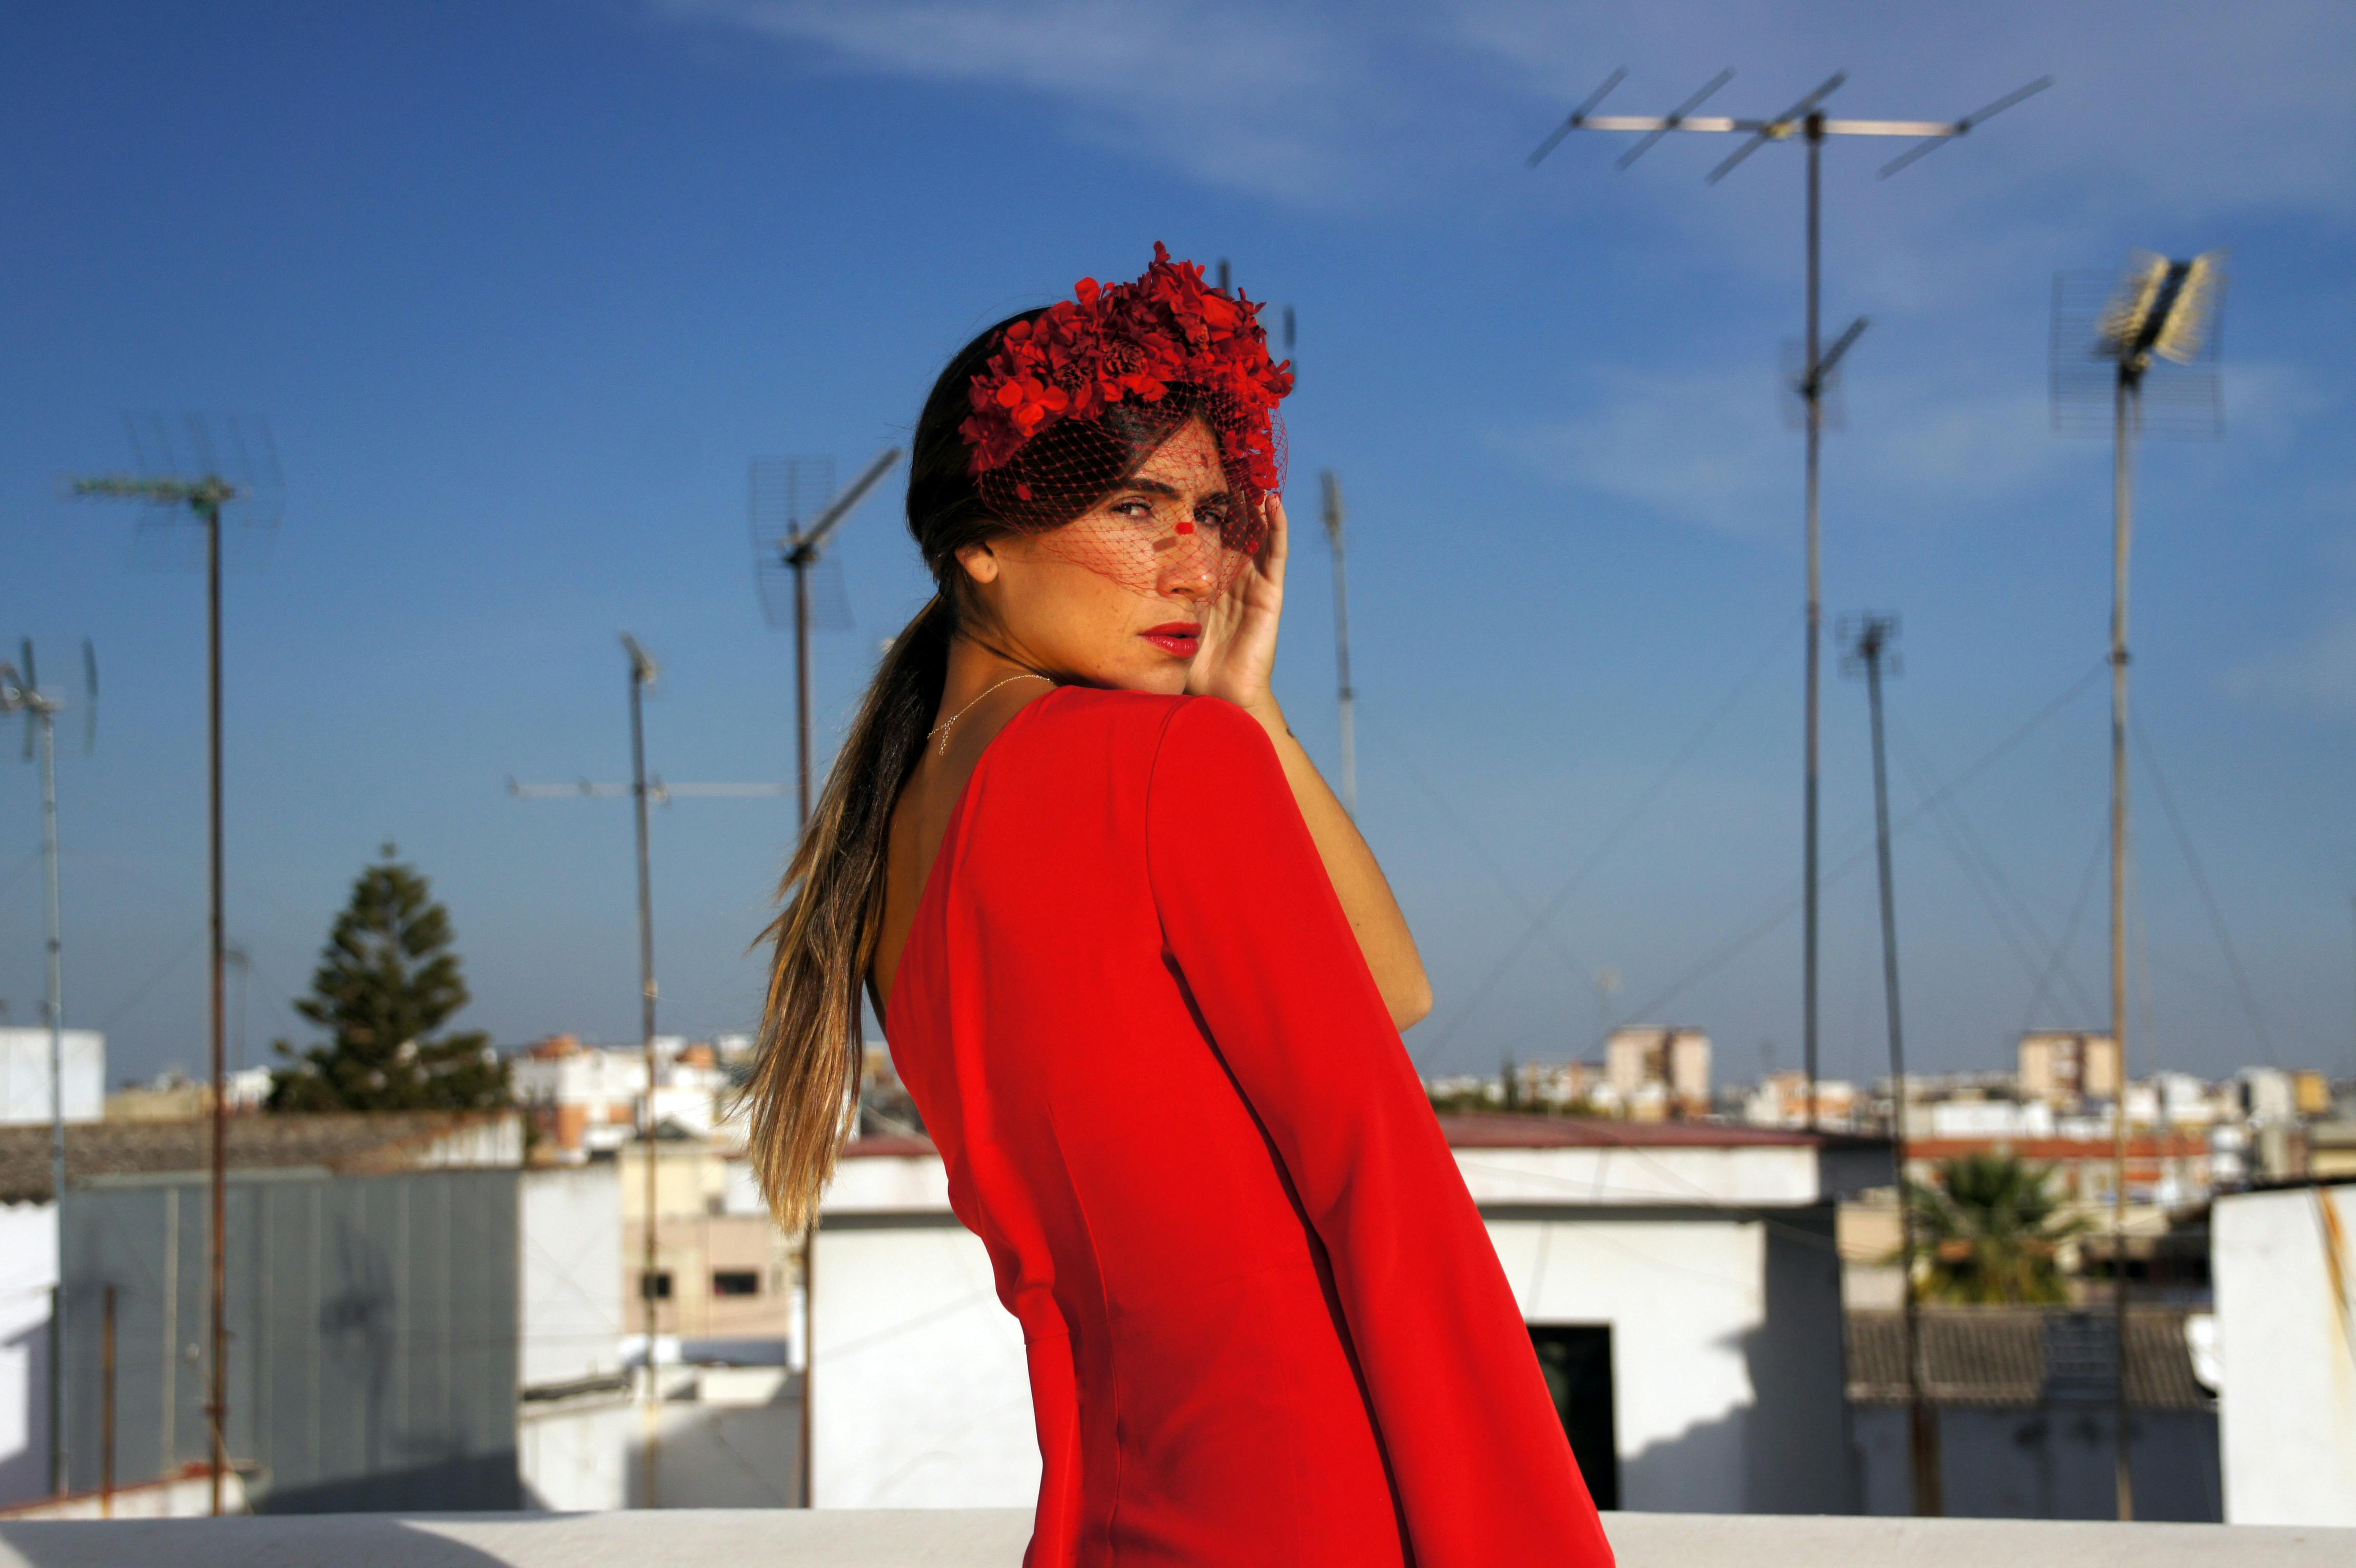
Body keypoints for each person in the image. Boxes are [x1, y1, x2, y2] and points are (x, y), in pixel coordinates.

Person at [750, 246, 1612, 1566]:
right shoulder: (1156, 771)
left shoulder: (892, 846)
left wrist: (1244, 706)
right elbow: (1386, 1178)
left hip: (1110, 1502)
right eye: (1137, 508)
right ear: (978, 538)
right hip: (1311, 1500)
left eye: (1209, 515)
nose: (1195, 567)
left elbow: (1380, 994)